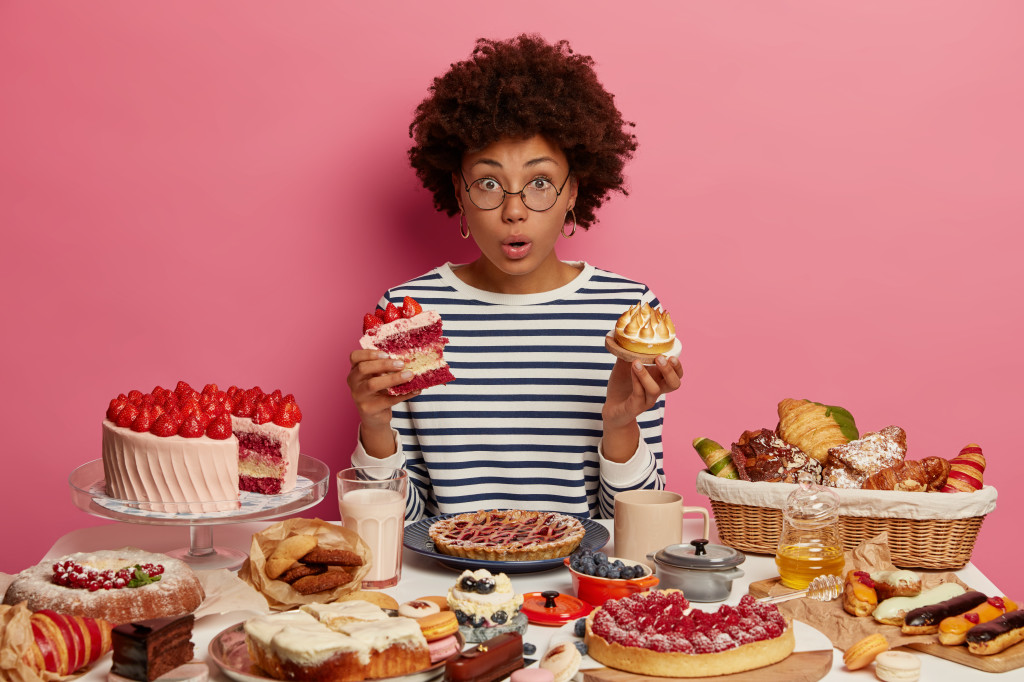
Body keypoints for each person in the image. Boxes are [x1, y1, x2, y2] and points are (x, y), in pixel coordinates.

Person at [347, 35, 683, 520]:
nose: (513, 210)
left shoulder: (627, 312)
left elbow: (629, 527)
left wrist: (620, 427)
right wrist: (376, 428)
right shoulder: (409, 312)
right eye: (487, 183)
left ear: (574, 192)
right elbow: (405, 524)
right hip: (449, 588)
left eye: (540, 182)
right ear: (458, 194)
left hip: (576, 588)